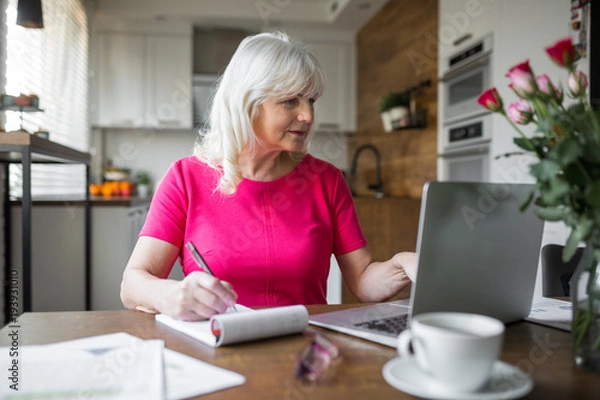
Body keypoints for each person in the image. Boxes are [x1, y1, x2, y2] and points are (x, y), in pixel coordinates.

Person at [120, 32, 417, 321]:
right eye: (291, 101)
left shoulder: (327, 180)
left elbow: (363, 280)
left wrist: (403, 264)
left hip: (304, 351)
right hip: (218, 350)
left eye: (311, 100)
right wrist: (170, 295)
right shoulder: (185, 178)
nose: (309, 116)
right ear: (248, 103)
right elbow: (132, 284)